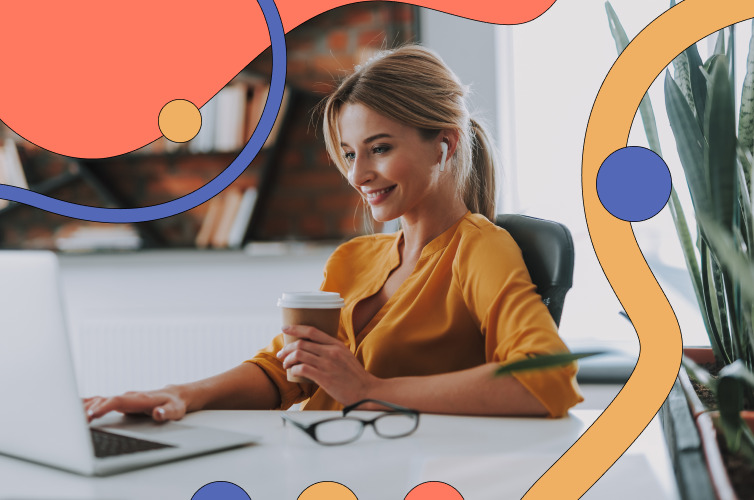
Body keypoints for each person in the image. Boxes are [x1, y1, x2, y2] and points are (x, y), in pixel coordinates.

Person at [84, 45, 583, 423]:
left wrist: (366, 388)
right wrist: (186, 394)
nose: (358, 174)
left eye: (379, 148)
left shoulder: (481, 249)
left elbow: (546, 380)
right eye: (349, 153)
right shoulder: (354, 260)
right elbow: (288, 370)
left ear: (443, 146)